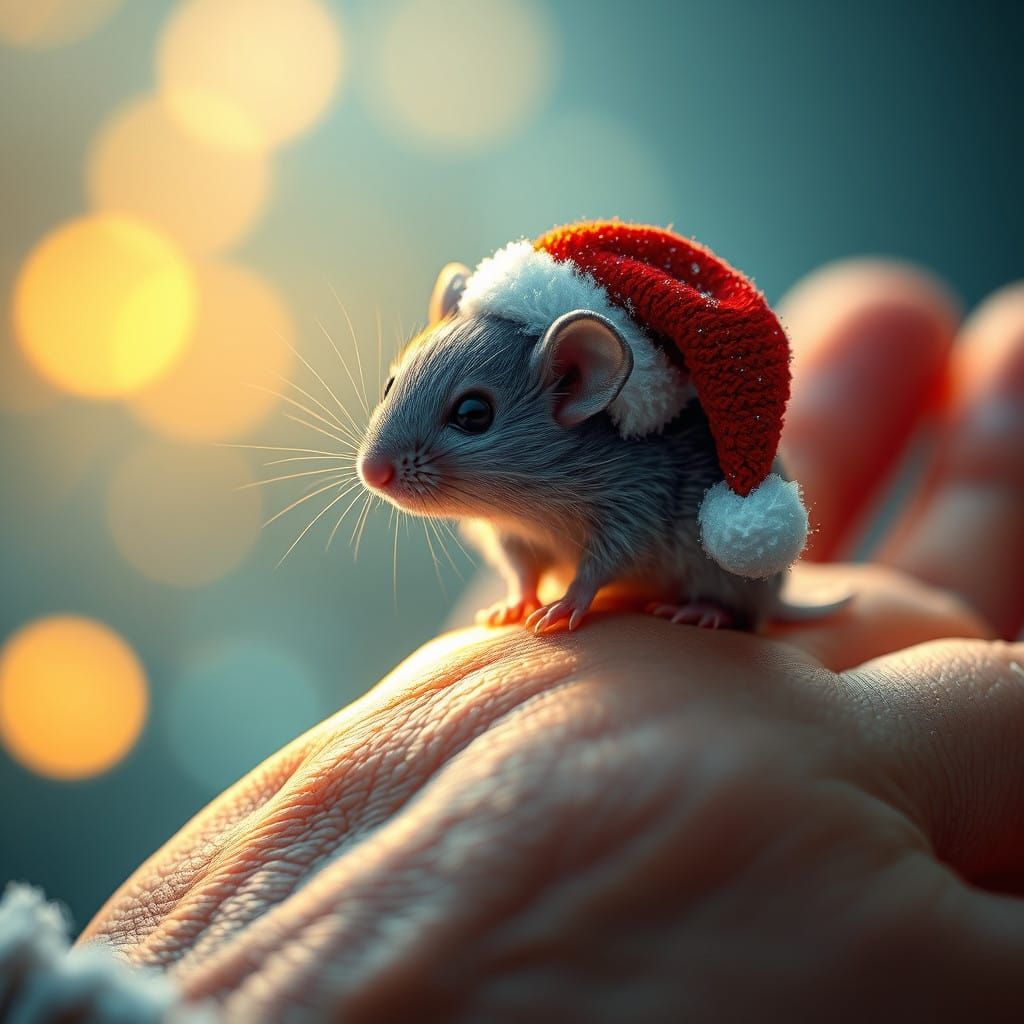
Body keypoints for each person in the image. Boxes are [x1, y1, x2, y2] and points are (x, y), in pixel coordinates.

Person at [81, 261, 1024, 1022]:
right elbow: (511, 535)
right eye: (395, 392)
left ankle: (724, 605)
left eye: (471, 418)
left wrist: (582, 590)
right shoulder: (508, 485)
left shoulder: (617, 463)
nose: (380, 463)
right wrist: (530, 585)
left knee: (693, 540)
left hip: (700, 563)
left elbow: (628, 519)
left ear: (576, 382)